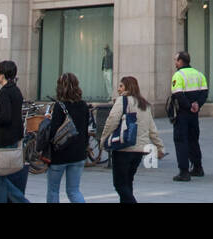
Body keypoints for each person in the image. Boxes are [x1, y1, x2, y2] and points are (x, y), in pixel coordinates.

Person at [101, 75, 165, 203]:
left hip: (123, 148)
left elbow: (111, 121)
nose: (118, 89)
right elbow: (152, 129)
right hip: (139, 150)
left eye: (121, 86)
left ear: (128, 87)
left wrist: (103, 139)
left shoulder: (123, 101)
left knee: (119, 184)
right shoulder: (144, 104)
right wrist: (159, 147)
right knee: (128, 183)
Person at [44, 72, 90, 203]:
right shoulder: (83, 105)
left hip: (60, 155)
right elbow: (86, 129)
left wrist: (48, 121)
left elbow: (53, 132)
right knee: (74, 190)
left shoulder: (60, 106)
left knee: (53, 190)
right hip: (79, 154)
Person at [0, 60, 29, 203]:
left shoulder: (4, 92)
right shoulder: (16, 90)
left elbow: (5, 116)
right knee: (2, 177)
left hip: (5, 138)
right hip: (15, 136)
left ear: (2, 75)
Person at [168, 51, 208, 182]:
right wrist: (197, 105)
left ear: (180, 62)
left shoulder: (178, 75)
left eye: (176, 60)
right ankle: (198, 167)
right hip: (194, 114)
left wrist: (188, 105)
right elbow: (204, 92)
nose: (175, 62)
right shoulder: (199, 74)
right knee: (193, 140)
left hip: (182, 114)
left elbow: (178, 94)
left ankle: (184, 172)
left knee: (181, 141)